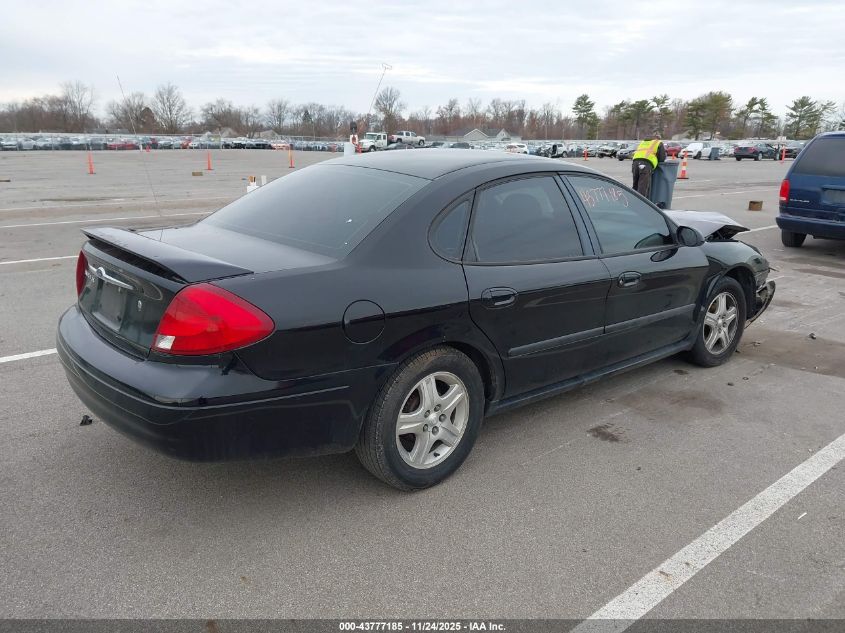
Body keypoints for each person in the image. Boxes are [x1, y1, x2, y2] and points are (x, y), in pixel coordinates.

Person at [631, 132, 666, 198]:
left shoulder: (643, 142)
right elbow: (662, 158)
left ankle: (633, 202)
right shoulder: (658, 142)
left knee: (635, 185)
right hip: (646, 164)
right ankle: (642, 205)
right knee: (643, 187)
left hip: (635, 163)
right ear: (658, 138)